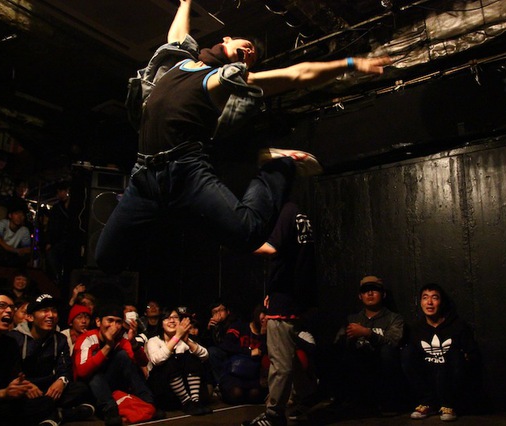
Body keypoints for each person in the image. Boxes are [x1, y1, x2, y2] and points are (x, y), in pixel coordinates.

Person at [94, 0, 390, 273]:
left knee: (248, 233)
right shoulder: (174, 64)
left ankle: (276, 167)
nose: (249, 53)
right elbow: (177, 35)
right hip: (144, 177)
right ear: (226, 39)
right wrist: (185, 3)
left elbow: (296, 75)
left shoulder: (220, 81)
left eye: (252, 57)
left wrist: (349, 64)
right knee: (105, 258)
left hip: (184, 171)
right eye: (247, 46)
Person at [243, 202, 318, 426]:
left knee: (280, 362)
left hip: (284, 302)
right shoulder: (299, 213)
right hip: (296, 299)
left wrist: (240, 244)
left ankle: (274, 415)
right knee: (289, 355)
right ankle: (306, 395)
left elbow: (271, 248)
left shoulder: (285, 212)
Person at [7, 294, 95, 423]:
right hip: (26, 389)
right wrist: (25, 385)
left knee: (81, 388)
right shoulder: (14, 338)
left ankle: (47, 411)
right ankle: (61, 414)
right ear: (30, 317)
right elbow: (9, 370)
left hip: (49, 388)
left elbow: (65, 368)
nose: (51, 315)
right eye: (44, 310)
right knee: (13, 402)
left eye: (54, 311)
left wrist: (61, 381)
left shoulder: (60, 339)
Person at [0, 289, 58, 425]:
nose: (9, 310)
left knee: (45, 401)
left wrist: (21, 385)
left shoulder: (10, 344)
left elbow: (13, 379)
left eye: (12, 307)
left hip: (1, 404)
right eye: (2, 305)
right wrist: (2, 393)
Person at [72, 303, 161, 426]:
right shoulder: (87, 338)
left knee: (122, 356)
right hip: (87, 389)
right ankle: (110, 410)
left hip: (109, 385)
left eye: (118, 322)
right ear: (98, 322)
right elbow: (82, 371)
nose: (114, 326)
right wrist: (108, 346)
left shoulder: (121, 340)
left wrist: (133, 342)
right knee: (95, 369)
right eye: (110, 320)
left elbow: (143, 362)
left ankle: (148, 402)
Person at [402, 283, 479, 422]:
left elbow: (472, 354)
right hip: (428, 376)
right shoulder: (416, 328)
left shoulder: (458, 326)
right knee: (407, 353)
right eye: (425, 297)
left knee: (455, 354)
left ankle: (448, 405)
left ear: (441, 302)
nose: (429, 302)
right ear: (420, 302)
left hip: (450, 377)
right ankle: (427, 403)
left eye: (434, 298)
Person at [331, 275, 405, 415]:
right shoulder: (352, 319)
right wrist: (349, 338)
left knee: (387, 352)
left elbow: (393, 342)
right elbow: (337, 345)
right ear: (360, 296)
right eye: (365, 290)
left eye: (374, 290)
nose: (370, 293)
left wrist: (368, 333)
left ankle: (389, 402)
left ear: (383, 294)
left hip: (382, 368)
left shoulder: (394, 318)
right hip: (359, 367)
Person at [146, 308, 212, 415]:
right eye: (167, 318)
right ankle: (186, 402)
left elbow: (205, 355)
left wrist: (187, 341)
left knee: (193, 357)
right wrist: (177, 336)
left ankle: (195, 401)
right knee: (169, 361)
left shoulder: (185, 339)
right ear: (161, 323)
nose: (172, 320)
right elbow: (157, 360)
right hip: (164, 388)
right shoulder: (153, 341)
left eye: (175, 317)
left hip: (185, 386)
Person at [219, 304, 268, 406]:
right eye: (263, 315)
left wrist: (263, 335)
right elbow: (226, 345)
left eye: (268, 317)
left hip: (253, 374)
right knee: (236, 394)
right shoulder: (240, 327)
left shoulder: (267, 334)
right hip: (235, 372)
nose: (265, 319)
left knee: (255, 395)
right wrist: (249, 352)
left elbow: (264, 353)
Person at [45, 181, 80, 288]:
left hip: (72, 241)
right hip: (58, 241)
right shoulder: (57, 208)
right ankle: (57, 279)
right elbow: (51, 225)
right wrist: (49, 241)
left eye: (61, 191)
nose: (59, 194)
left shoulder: (76, 206)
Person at [0, 199, 32, 267]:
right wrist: (16, 251)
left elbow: (27, 249)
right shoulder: (2, 224)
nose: (19, 217)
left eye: (22, 215)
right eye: (16, 214)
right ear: (10, 215)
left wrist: (21, 251)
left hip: (11, 254)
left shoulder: (24, 230)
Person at [203, 299, 235, 389]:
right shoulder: (213, 325)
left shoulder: (233, 323)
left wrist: (219, 327)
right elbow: (205, 345)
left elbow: (228, 344)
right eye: (215, 312)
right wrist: (209, 330)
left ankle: (222, 385)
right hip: (218, 355)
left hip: (232, 353)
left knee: (213, 351)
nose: (218, 314)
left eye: (221, 310)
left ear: (228, 311)